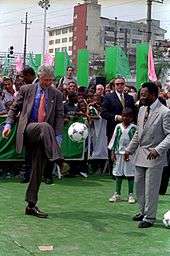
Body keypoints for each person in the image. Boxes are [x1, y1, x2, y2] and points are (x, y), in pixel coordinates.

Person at [2, 65, 64, 218]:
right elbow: (14, 109)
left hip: (44, 138)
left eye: (50, 80)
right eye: (45, 80)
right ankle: (58, 159)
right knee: (44, 126)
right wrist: (8, 125)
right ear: (39, 77)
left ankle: (31, 205)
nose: (47, 83)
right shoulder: (26, 89)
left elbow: (59, 116)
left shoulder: (56, 94)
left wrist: (58, 137)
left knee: (37, 170)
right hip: (29, 130)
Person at [125, 82, 170, 228]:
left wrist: (158, 149)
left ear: (154, 95)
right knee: (139, 186)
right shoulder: (142, 109)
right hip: (141, 154)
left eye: (144, 95)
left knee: (151, 188)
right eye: (140, 94)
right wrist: (128, 150)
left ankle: (150, 217)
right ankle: (143, 211)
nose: (141, 97)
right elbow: (138, 133)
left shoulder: (164, 112)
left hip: (155, 156)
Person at [108, 108, 136, 203]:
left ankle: (131, 194)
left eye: (128, 116)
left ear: (131, 118)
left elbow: (136, 142)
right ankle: (117, 193)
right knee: (118, 173)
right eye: (124, 115)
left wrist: (131, 152)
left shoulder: (134, 128)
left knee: (130, 174)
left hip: (130, 155)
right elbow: (114, 139)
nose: (125, 118)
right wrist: (112, 152)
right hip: (118, 154)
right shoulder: (118, 126)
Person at [101, 76, 136, 141]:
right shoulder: (108, 97)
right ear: (114, 86)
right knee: (113, 149)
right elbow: (103, 113)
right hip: (113, 129)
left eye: (122, 84)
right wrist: (116, 117)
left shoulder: (130, 98)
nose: (120, 85)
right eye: (117, 84)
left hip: (128, 128)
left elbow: (134, 112)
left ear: (125, 85)